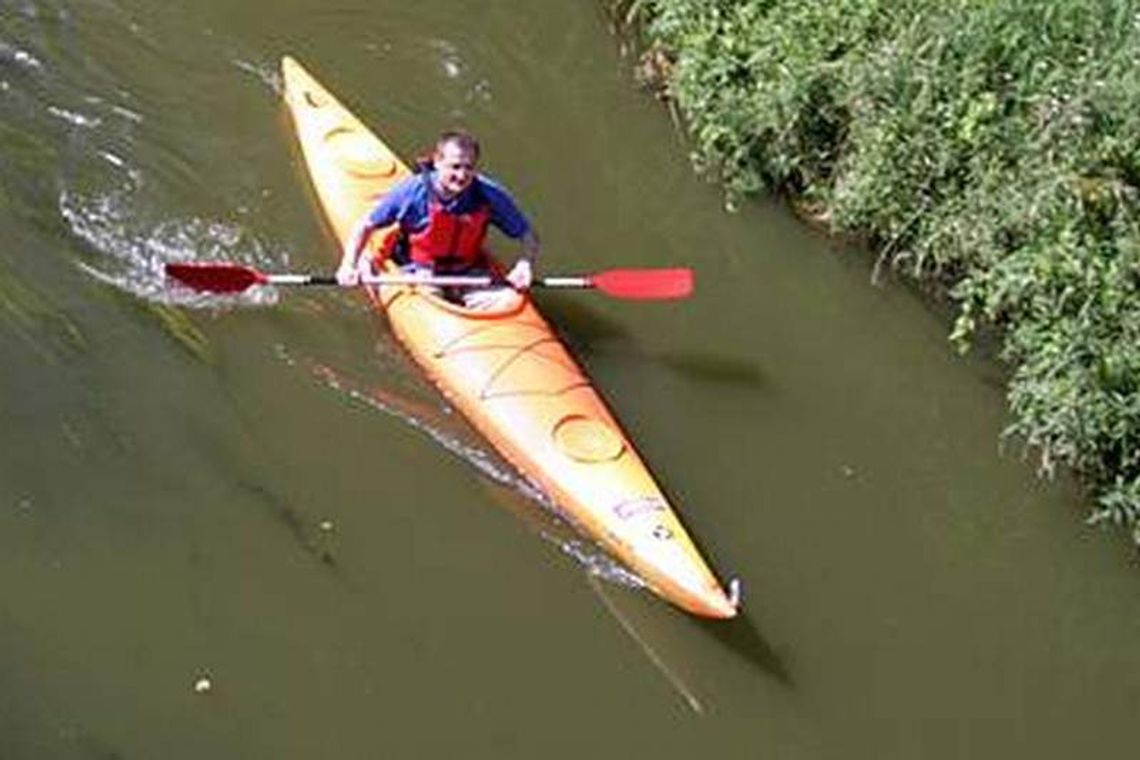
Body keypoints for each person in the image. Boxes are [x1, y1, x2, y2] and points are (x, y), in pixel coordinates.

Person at [336, 130, 539, 308]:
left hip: (466, 271)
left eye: (469, 167)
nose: (462, 175)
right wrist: (348, 265)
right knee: (427, 297)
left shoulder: (489, 194)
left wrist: (525, 263)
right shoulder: (412, 192)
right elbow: (365, 225)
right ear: (437, 161)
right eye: (455, 166)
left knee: (508, 300)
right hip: (421, 271)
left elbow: (528, 235)